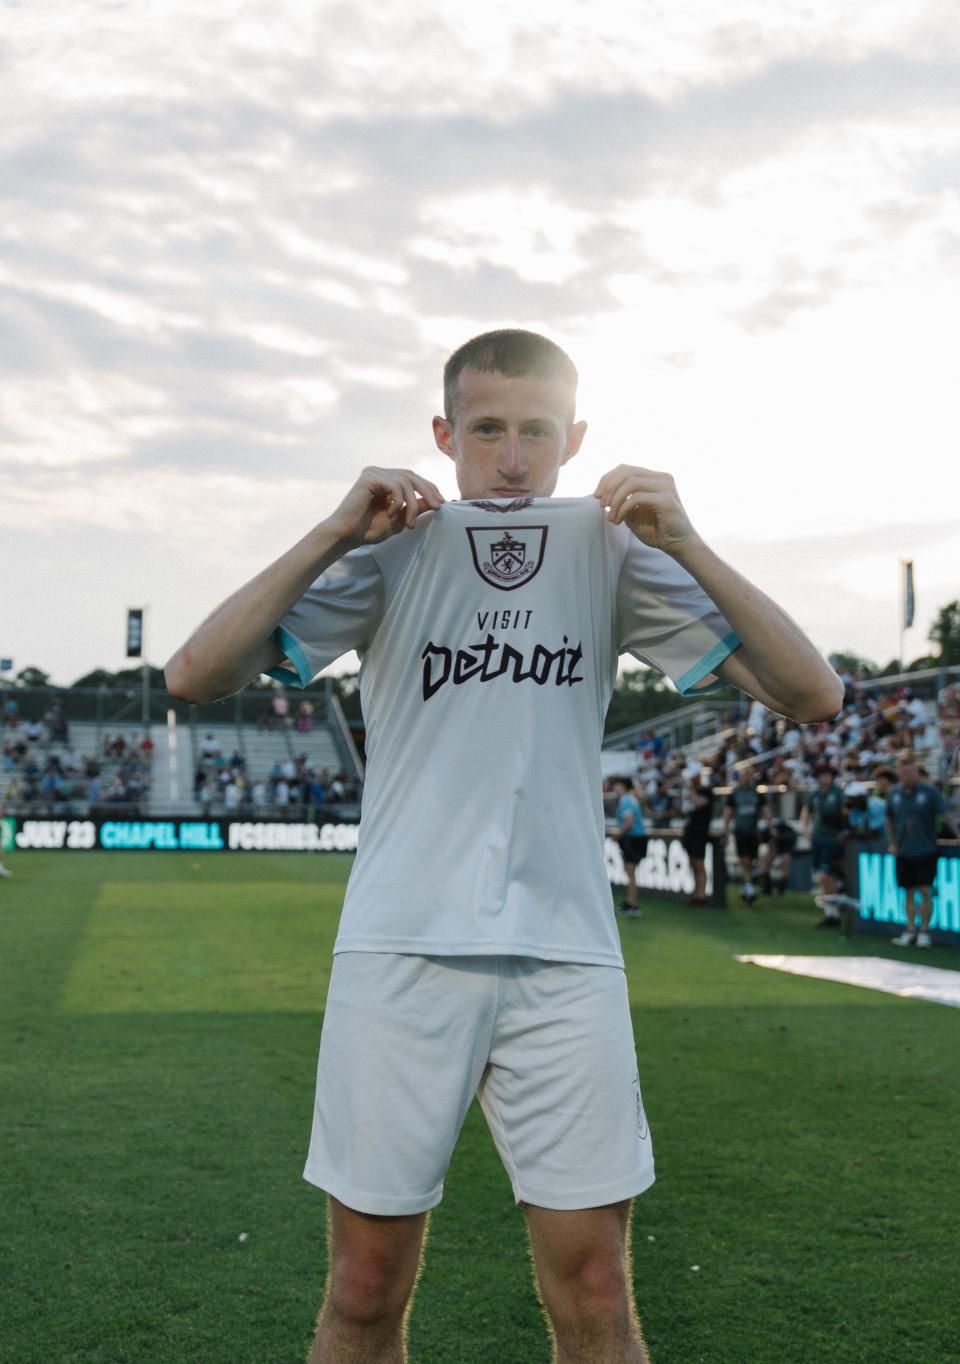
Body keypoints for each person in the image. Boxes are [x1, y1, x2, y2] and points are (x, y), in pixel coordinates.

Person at [165, 328, 842, 1364]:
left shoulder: (611, 554)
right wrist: (332, 528)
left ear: (574, 438)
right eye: (488, 429)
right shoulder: (391, 549)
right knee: (363, 1286)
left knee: (596, 1285)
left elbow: (814, 693)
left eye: (536, 431)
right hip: (402, 943)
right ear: (446, 433)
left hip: (564, 950)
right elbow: (194, 673)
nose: (513, 457)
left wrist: (692, 541)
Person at [888, 751, 958, 947]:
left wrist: (957, 834)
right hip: (903, 850)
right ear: (900, 773)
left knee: (925, 890)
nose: (908, 775)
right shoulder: (894, 794)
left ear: (916, 772)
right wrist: (892, 841)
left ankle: (924, 932)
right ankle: (910, 930)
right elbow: (889, 817)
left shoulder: (929, 793)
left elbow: (945, 814)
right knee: (908, 892)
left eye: (911, 771)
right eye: (904, 771)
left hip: (926, 849)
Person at [799, 763, 847, 927]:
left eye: (827, 775)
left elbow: (846, 815)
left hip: (833, 839)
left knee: (825, 876)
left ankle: (834, 911)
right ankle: (830, 913)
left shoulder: (839, 793)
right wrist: (805, 829)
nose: (825, 778)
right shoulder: (814, 794)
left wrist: (844, 832)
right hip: (818, 838)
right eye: (822, 775)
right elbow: (806, 812)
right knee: (822, 877)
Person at [723, 765, 771, 905]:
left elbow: (765, 809)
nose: (747, 778)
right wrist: (726, 830)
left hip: (753, 831)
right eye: (744, 775)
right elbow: (728, 812)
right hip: (740, 831)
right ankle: (749, 888)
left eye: (749, 775)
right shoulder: (734, 793)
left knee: (751, 860)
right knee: (745, 860)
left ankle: (746, 888)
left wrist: (771, 826)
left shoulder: (756, 792)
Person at [611, 776, 646, 917]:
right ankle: (630, 902)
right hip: (636, 838)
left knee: (630, 871)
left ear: (623, 786)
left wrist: (618, 835)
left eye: (617, 785)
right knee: (630, 871)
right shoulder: (631, 799)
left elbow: (629, 822)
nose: (614, 788)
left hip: (633, 839)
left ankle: (632, 904)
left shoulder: (626, 800)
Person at [681, 764, 716, 907]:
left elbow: (699, 803)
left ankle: (702, 895)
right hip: (690, 831)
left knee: (699, 864)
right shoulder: (693, 792)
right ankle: (697, 892)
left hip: (700, 833)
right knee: (693, 863)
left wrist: (690, 792)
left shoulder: (706, 791)